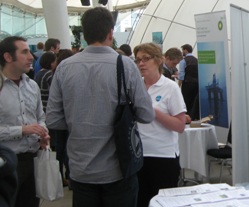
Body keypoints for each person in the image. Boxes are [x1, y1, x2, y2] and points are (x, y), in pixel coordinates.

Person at [46, 7, 154, 207]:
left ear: (84, 34)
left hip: (80, 169)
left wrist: (78, 121)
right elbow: (147, 114)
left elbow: (52, 119)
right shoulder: (125, 65)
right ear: (110, 32)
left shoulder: (64, 67)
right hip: (119, 167)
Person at [133, 43, 186, 207]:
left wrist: (153, 111)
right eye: (138, 60)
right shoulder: (135, 86)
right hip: (138, 156)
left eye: (146, 59)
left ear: (158, 61)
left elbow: (180, 125)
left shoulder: (170, 87)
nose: (141, 63)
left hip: (163, 157)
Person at [0, 36, 50, 207]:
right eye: (24, 52)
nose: (31, 57)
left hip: (33, 160)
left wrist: (42, 131)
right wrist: (22, 130)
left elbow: (40, 117)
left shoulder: (32, 86)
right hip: (6, 163)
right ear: (8, 57)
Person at [178, 44, 199, 114]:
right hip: (196, 84)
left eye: (182, 50)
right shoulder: (197, 60)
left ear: (185, 50)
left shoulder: (183, 61)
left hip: (187, 84)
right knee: (194, 102)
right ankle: (194, 117)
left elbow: (181, 75)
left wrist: (178, 85)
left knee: (186, 102)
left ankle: (188, 118)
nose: (182, 52)